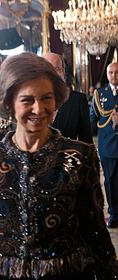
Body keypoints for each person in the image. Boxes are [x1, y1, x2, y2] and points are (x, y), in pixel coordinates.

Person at [0, 52, 118, 280]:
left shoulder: (79, 156)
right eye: (27, 100)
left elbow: (94, 230)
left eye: (47, 98)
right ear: (9, 103)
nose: (39, 109)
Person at [90, 62, 118, 228]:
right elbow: (92, 119)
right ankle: (114, 214)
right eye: (110, 73)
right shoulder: (100, 94)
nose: (114, 75)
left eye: (116, 72)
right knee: (110, 182)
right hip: (108, 146)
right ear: (107, 75)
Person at [43, 52, 92, 143]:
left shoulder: (78, 100)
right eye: (47, 69)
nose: (52, 73)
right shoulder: (32, 101)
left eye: (57, 69)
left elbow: (87, 142)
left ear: (63, 72)